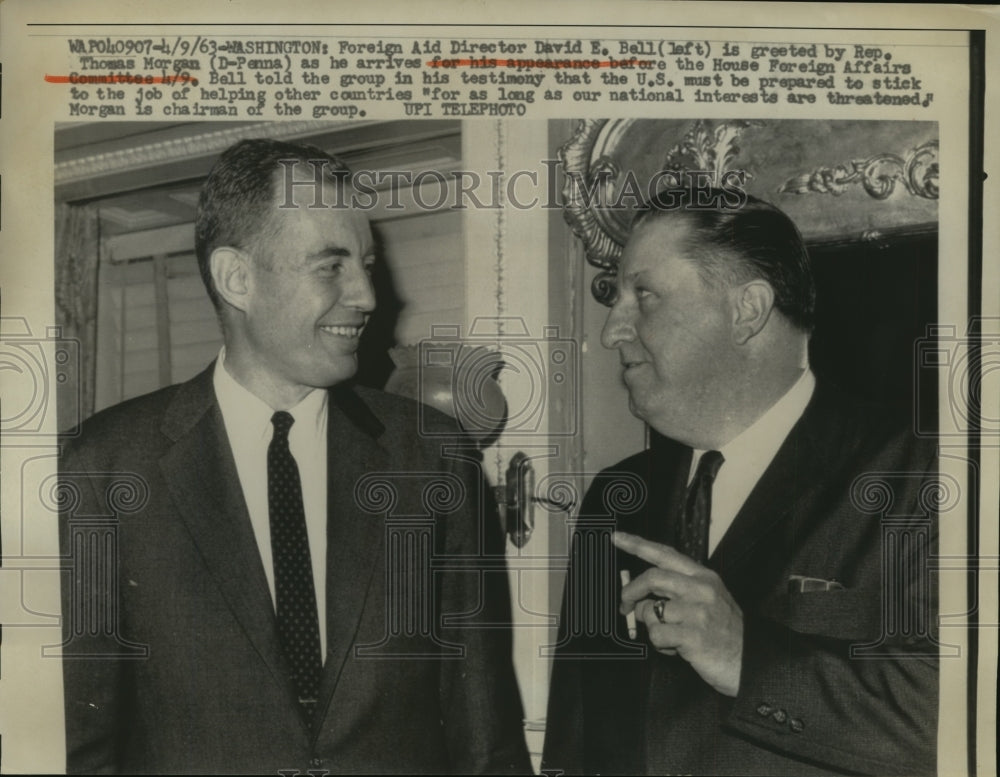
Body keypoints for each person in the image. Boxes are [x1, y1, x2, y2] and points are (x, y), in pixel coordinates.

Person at [59, 138, 531, 775]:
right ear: (237, 279)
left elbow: (485, 733)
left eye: (365, 263)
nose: (365, 295)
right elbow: (79, 741)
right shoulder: (106, 465)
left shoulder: (434, 457)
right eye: (330, 266)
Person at [541, 189, 938, 776]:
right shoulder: (618, 496)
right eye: (614, 296)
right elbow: (575, 744)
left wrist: (743, 655)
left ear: (747, 310)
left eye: (643, 296)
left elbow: (949, 723)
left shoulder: (922, 472)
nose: (611, 332)